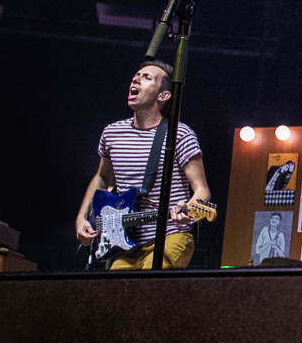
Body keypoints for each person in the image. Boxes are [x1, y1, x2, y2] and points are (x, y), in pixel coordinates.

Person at [74, 59, 210, 269]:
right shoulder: (112, 133)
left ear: (163, 95)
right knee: (115, 295)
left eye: (147, 77)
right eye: (136, 76)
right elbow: (102, 178)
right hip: (124, 240)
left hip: (169, 235)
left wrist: (189, 210)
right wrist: (83, 218)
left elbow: (201, 190)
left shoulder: (179, 133)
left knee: (147, 289)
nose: (136, 78)